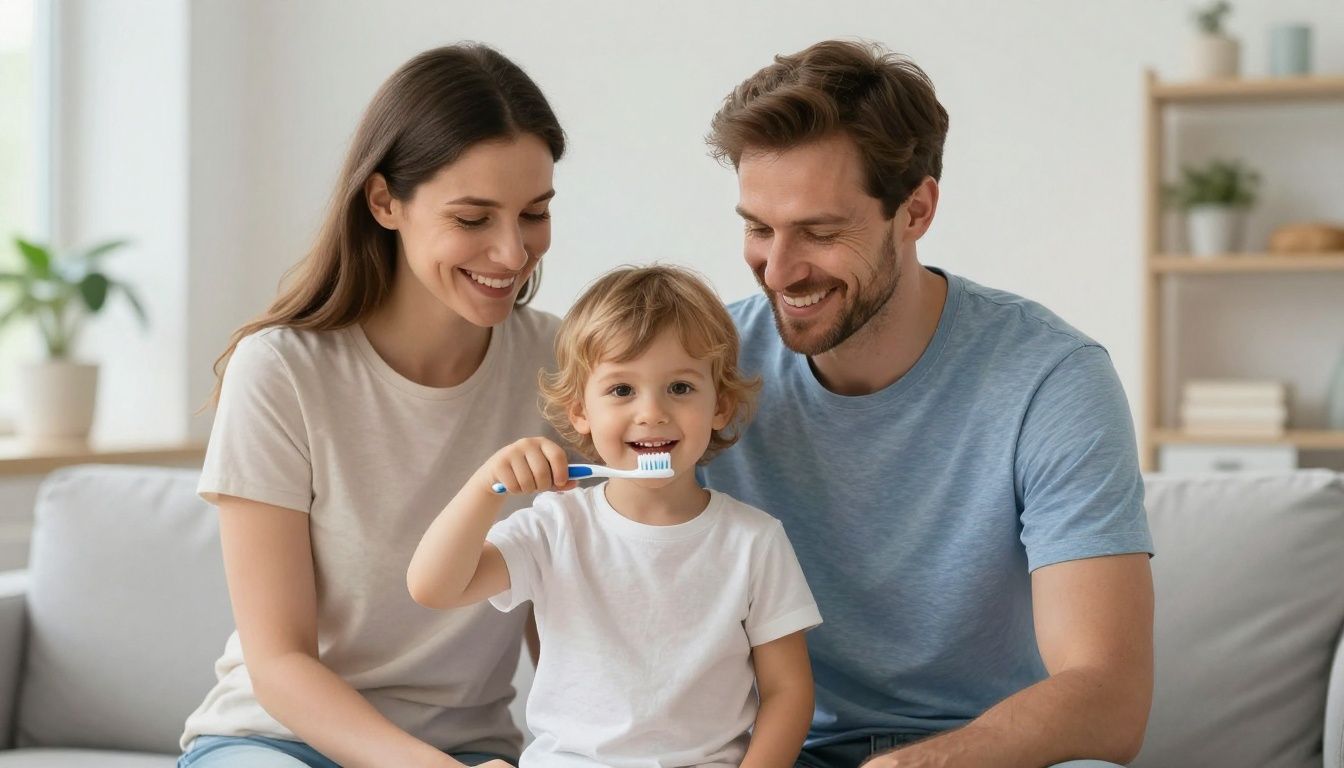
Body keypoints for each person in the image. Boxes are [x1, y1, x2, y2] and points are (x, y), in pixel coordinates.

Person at [701, 40, 1155, 768]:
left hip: (991, 753)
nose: (778, 270)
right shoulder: (700, 368)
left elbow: (1108, 694)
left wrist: (923, 764)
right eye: (758, 228)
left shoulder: (1051, 379)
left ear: (915, 210)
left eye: (819, 231)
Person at [179, 44, 566, 768]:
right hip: (278, 742)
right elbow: (280, 661)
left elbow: (573, 612)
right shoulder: (280, 372)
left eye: (535, 213)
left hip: (472, 749)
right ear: (385, 201)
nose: (513, 253)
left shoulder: (563, 366)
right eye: (474, 218)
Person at [408, 265, 823, 768]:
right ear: (580, 410)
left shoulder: (755, 542)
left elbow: (787, 690)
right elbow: (434, 587)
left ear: (721, 404)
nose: (651, 412)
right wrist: (484, 488)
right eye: (622, 390)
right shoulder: (554, 527)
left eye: (680, 388)